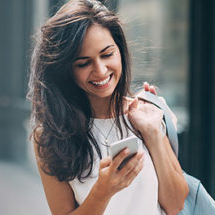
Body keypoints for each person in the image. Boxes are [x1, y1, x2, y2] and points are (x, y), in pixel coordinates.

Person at [27, 0, 189, 214]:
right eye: (83, 63)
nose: (101, 71)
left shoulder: (147, 112)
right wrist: (103, 191)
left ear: (120, 50)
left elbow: (176, 204)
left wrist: (153, 133)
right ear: (66, 70)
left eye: (107, 54)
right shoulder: (50, 137)